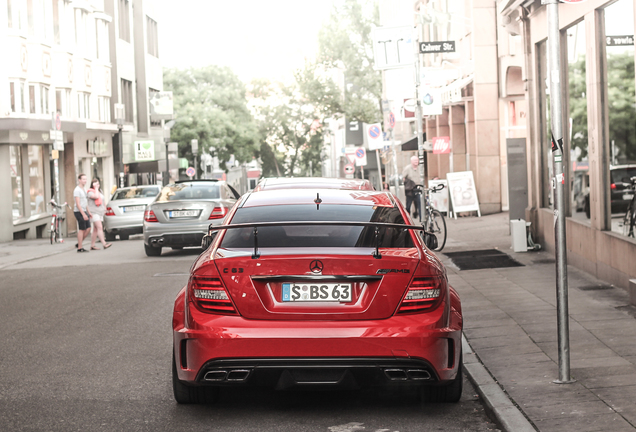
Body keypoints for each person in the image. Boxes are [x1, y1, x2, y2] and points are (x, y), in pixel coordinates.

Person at [87, 178, 112, 250]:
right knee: (100, 227)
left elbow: (103, 200)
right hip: (94, 212)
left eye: (98, 184)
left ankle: (92, 245)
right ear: (92, 185)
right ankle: (104, 243)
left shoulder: (100, 191)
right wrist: (95, 189)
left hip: (100, 212)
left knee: (95, 229)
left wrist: (105, 208)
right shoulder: (90, 192)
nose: (97, 185)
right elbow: (96, 196)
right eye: (95, 184)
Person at [74, 174, 92, 252]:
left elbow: (85, 202)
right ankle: (80, 247)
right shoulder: (77, 190)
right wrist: (83, 214)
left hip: (84, 210)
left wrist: (89, 212)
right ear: (79, 180)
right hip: (79, 211)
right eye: (83, 179)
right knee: (82, 229)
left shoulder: (84, 189)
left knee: (88, 228)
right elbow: (78, 204)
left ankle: (79, 243)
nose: (85, 181)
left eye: (86, 179)